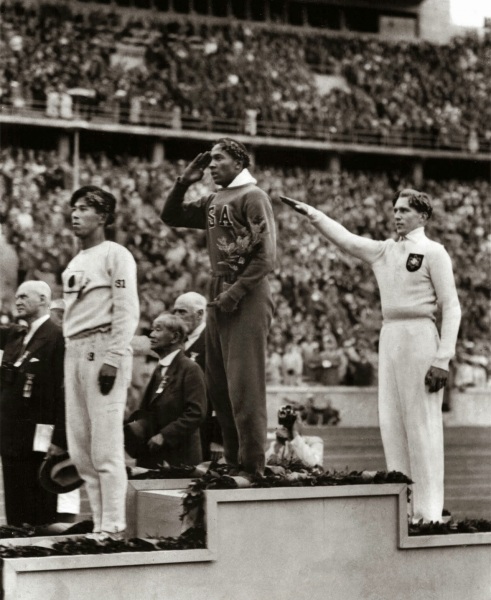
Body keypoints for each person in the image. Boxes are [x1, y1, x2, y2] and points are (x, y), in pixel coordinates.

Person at [281, 189, 461, 523]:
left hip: (421, 333)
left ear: (422, 216)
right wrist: (312, 214)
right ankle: (402, 506)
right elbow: (346, 239)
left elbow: (451, 305)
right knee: (391, 422)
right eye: (394, 209)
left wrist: (442, 358)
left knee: (421, 425)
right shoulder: (384, 251)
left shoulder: (434, 252)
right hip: (390, 334)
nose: (397, 215)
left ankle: (429, 512)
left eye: (405, 210)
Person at [161, 138, 276, 478]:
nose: (211, 164)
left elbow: (267, 256)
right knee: (220, 385)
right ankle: (233, 458)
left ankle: (253, 465)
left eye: (219, 158)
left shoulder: (253, 197)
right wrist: (183, 182)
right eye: (210, 159)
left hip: (247, 290)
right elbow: (172, 216)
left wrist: (236, 291)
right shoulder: (214, 199)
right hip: (219, 287)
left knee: (244, 384)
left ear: (239, 163)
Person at [62, 185, 139, 541]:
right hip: (74, 350)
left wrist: (113, 356)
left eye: (84, 208)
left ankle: (113, 526)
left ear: (103, 217)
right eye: (73, 208)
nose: (75, 214)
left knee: (105, 447)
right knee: (81, 450)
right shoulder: (76, 261)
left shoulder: (116, 254)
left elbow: (127, 309)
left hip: (101, 347)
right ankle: (98, 525)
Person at [0, 281, 66, 526]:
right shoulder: (16, 335)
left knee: (40, 510)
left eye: (24, 296)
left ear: (43, 300)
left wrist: (60, 438)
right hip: (10, 434)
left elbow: (63, 392)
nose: (17, 301)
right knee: (15, 510)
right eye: (16, 296)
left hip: (40, 434)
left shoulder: (56, 336)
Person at [124, 313, 206, 469]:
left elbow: (196, 413)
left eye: (158, 329)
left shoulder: (190, 369)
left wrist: (165, 436)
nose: (152, 334)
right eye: (153, 329)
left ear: (174, 337)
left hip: (179, 460)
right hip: (153, 456)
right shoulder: (160, 369)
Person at [172, 292, 224, 462]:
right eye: (175, 312)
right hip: (182, 428)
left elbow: (222, 389)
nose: (177, 317)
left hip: (206, 429)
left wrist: (218, 437)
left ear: (200, 313)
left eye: (182, 312)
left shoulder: (213, 340)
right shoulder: (179, 342)